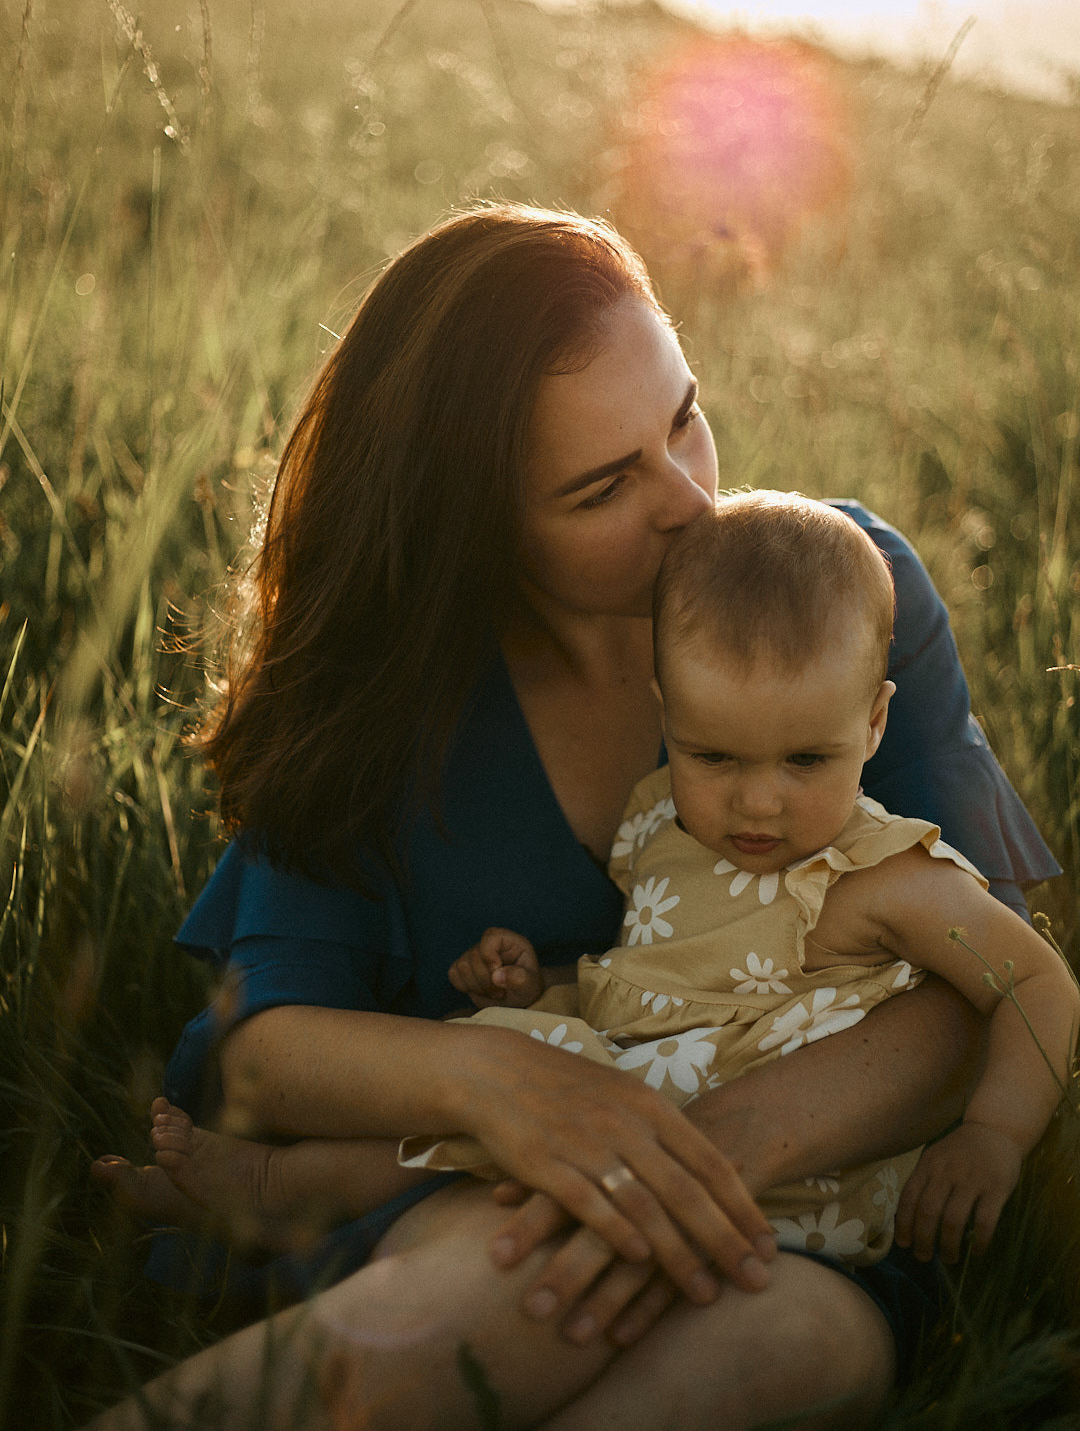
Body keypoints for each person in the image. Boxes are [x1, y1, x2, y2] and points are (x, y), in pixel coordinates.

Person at [89, 204, 1061, 1431]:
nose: (691, 503)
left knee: (758, 1366)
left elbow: (986, 984)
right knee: (436, 1346)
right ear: (473, 528)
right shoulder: (397, 692)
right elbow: (264, 1045)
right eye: (605, 486)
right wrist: (496, 1083)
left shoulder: (834, 594)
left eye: (685, 419)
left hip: (823, 1212)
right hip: (501, 1196)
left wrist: (692, 1152)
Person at [398, 493, 1076, 1273]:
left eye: (806, 761)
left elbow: (1035, 979)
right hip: (628, 1122)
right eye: (713, 757)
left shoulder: (880, 872)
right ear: (667, 717)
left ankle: (295, 1186)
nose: (757, 803)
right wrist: (537, 983)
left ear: (874, 724)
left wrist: (996, 1133)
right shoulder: (660, 829)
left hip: (790, 1181)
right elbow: (651, 982)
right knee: (486, 1057)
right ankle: (301, 1187)